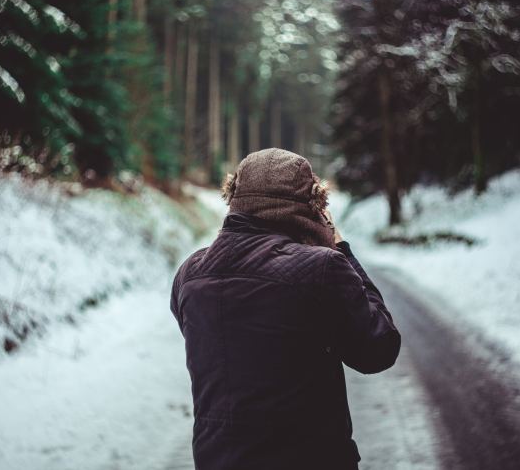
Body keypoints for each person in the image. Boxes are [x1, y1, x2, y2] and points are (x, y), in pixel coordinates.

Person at [170, 148, 401, 470]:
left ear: (235, 196)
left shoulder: (191, 272)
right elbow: (378, 349)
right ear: (313, 206)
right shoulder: (323, 266)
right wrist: (341, 248)